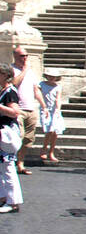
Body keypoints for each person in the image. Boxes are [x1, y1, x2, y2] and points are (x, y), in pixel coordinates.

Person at [11, 47, 40, 177]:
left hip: (31, 108)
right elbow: (13, 84)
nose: (25, 58)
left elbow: (35, 89)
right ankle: (11, 162)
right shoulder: (11, 70)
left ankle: (20, 163)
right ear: (15, 56)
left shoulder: (30, 71)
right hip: (18, 108)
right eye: (22, 56)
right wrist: (24, 70)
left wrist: (43, 105)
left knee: (28, 139)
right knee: (18, 137)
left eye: (26, 56)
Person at [0, 62, 23, 213]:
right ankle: (3, 197)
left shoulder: (10, 92)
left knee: (8, 167)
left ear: (5, 75)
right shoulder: (3, 91)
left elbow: (15, 112)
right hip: (2, 133)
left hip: (7, 133)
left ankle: (13, 201)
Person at [38, 68, 65, 164]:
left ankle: (51, 152)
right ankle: (44, 149)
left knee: (55, 131)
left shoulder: (58, 86)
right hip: (45, 109)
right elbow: (38, 95)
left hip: (54, 110)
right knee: (49, 130)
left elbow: (58, 98)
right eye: (50, 76)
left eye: (53, 77)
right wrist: (43, 106)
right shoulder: (41, 84)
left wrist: (58, 109)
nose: (51, 78)